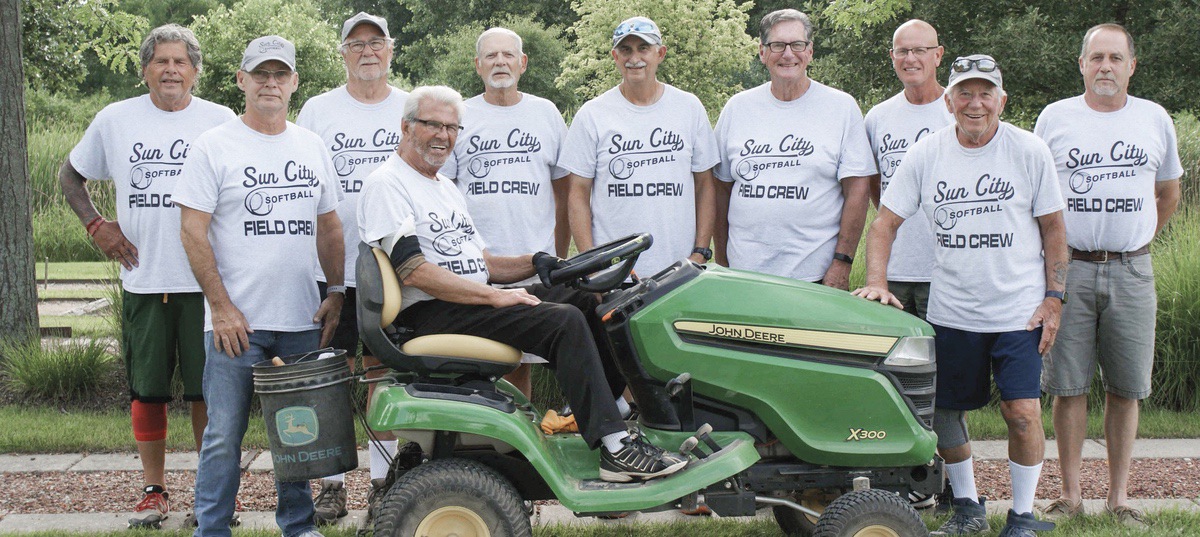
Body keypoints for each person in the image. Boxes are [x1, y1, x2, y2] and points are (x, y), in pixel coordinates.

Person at [358, 85, 686, 483]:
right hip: (429, 311)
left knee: (591, 297)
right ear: (406, 127)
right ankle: (614, 450)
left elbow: (482, 263)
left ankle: (612, 410)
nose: (443, 136)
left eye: (451, 127)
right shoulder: (388, 183)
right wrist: (495, 297)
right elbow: (414, 270)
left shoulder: (443, 187)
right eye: (432, 125)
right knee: (562, 320)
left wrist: (539, 261)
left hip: (465, 300)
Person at [853, 55, 1066, 537]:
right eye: (965, 94)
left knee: (1023, 413)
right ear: (948, 101)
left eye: (985, 93)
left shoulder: (1029, 151)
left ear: (1002, 100)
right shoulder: (927, 153)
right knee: (946, 414)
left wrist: (1055, 297)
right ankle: (968, 507)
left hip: (1019, 312)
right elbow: (884, 224)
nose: (975, 103)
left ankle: (1023, 517)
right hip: (953, 310)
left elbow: (1054, 228)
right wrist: (878, 284)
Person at [59, 24, 236, 529]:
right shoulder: (115, 120)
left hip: (208, 285)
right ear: (145, 70)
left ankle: (214, 491)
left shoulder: (221, 121)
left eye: (181, 62)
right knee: (148, 390)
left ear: (196, 72)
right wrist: (96, 224)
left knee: (210, 392)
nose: (171, 71)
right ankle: (154, 490)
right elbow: (70, 175)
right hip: (144, 277)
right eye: (161, 61)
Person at [174, 35, 344, 537]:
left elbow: (330, 226)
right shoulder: (214, 146)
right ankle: (212, 529)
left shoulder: (310, 145)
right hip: (235, 326)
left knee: (297, 433)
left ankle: (298, 526)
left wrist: (335, 291)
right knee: (224, 436)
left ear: (294, 83)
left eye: (280, 74)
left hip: (299, 320)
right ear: (241, 81)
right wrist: (222, 308)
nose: (270, 83)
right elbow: (192, 230)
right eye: (260, 74)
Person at [1035, 23, 1183, 528]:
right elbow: (1036, 196)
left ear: (1131, 66)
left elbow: (1169, 193)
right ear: (1081, 64)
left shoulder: (1154, 119)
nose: (1105, 66)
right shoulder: (1055, 118)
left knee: (1126, 388)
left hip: (1131, 270)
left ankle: (1119, 498)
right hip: (1069, 269)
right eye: (1096, 57)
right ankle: (1071, 495)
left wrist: (1137, 239)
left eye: (1115, 58)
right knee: (1067, 385)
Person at [294, 12, 408, 525]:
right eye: (356, 43)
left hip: (397, 263)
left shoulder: (412, 106)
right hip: (335, 263)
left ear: (391, 50)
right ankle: (334, 486)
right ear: (342, 52)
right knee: (333, 373)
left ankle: (385, 482)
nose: (367, 51)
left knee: (386, 371)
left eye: (376, 42)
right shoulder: (318, 110)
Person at [439, 27, 570, 399]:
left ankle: (517, 453)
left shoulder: (545, 113)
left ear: (523, 63)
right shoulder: (458, 115)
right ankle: (472, 448)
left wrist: (556, 256)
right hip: (472, 267)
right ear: (477, 65)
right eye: (491, 56)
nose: (500, 62)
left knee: (519, 365)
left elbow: (564, 192)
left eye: (508, 55)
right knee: (471, 364)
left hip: (532, 262)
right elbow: (443, 193)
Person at [713, 9, 874, 289]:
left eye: (797, 45)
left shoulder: (841, 107)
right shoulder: (737, 108)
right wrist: (723, 261)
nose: (788, 54)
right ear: (762, 52)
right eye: (777, 45)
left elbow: (858, 189)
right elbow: (719, 189)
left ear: (810, 51)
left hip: (816, 274)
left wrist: (842, 262)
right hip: (745, 273)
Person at [561, 16, 718, 275]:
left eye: (643, 48)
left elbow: (705, 184)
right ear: (615, 56)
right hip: (615, 271)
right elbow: (577, 193)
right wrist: (592, 265)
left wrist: (700, 252)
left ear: (661, 53)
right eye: (626, 49)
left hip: (680, 270)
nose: (634, 58)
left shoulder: (689, 108)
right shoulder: (593, 114)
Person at [863, 19, 951, 318]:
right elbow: (876, 184)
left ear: (938, 55)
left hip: (945, 271)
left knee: (946, 362)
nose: (910, 59)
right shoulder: (878, 117)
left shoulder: (959, 111)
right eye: (902, 51)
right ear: (892, 57)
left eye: (919, 50)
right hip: (894, 269)